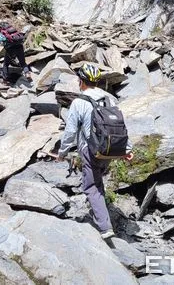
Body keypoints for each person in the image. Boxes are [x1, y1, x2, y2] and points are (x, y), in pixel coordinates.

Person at [57, 64, 133, 239]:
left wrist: (62, 153)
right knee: (97, 182)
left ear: (81, 81)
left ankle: (104, 227)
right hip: (110, 149)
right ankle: (100, 212)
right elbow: (119, 125)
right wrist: (127, 149)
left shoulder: (79, 102)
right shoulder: (109, 99)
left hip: (90, 150)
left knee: (90, 186)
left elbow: (70, 131)